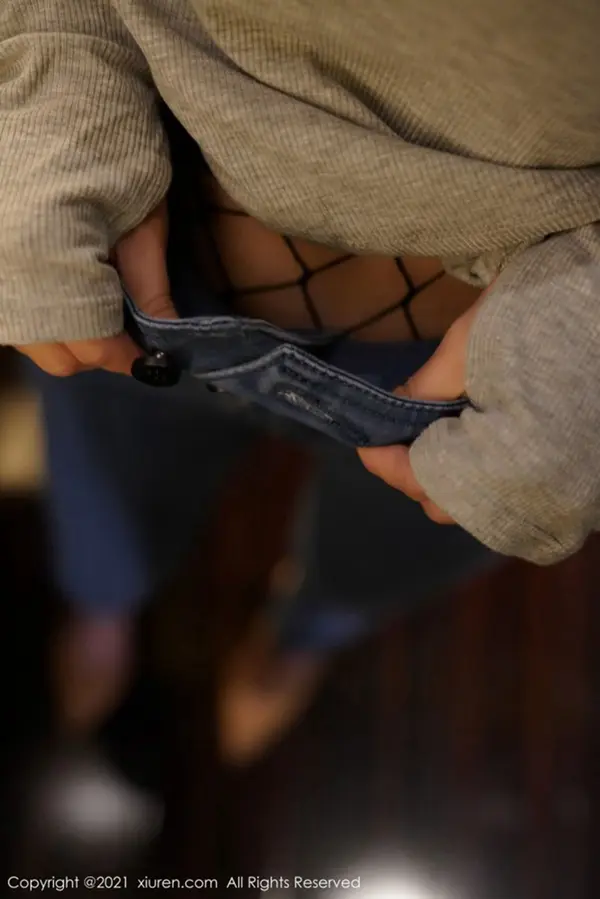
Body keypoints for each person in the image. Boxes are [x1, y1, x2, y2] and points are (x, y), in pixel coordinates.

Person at [1, 1, 599, 756]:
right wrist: (52, 63)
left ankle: (299, 635)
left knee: (380, 556)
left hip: (503, 361)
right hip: (136, 254)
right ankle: (104, 600)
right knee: (101, 489)